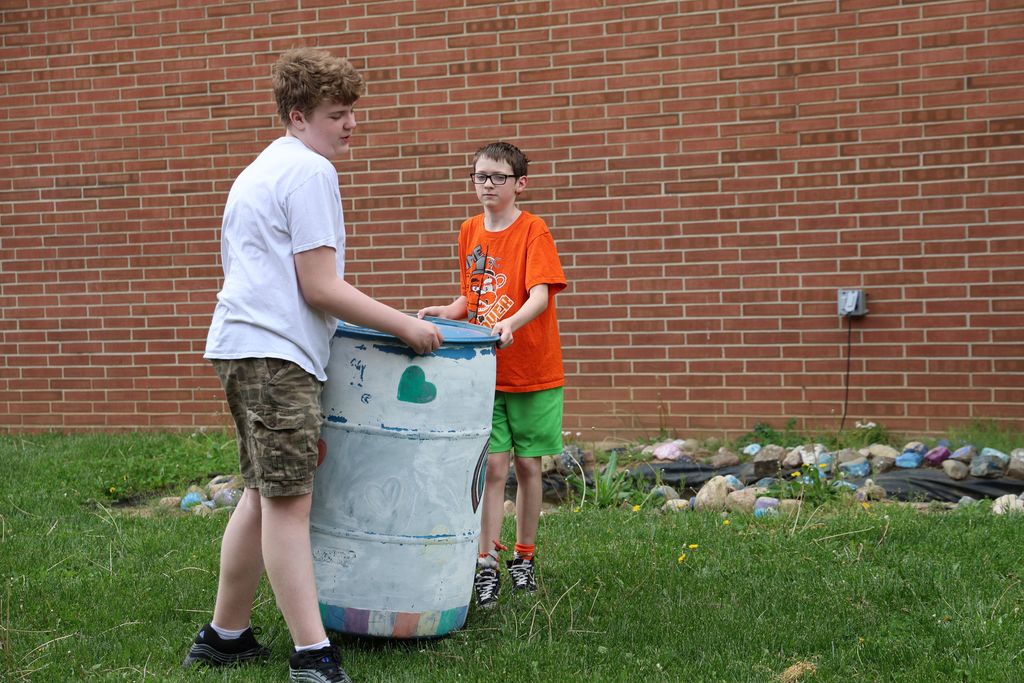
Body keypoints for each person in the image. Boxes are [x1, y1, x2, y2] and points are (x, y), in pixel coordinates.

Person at [183, 48, 443, 682]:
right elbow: (319, 285)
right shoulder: (308, 173)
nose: (349, 124)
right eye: (336, 114)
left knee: (262, 491)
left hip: (244, 349)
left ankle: (225, 634)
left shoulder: (264, 167)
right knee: (290, 502)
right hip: (275, 356)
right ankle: (312, 655)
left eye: (353, 111)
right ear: (298, 116)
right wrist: (405, 324)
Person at [417, 141, 566, 609]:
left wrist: (511, 324)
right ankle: (486, 563)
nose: (487, 184)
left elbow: (539, 296)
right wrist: (448, 310)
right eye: (480, 176)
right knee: (494, 466)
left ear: (519, 183)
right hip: (487, 371)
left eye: (498, 177)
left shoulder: (533, 231)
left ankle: (524, 556)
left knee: (527, 466)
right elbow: (473, 297)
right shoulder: (468, 231)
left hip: (534, 369)